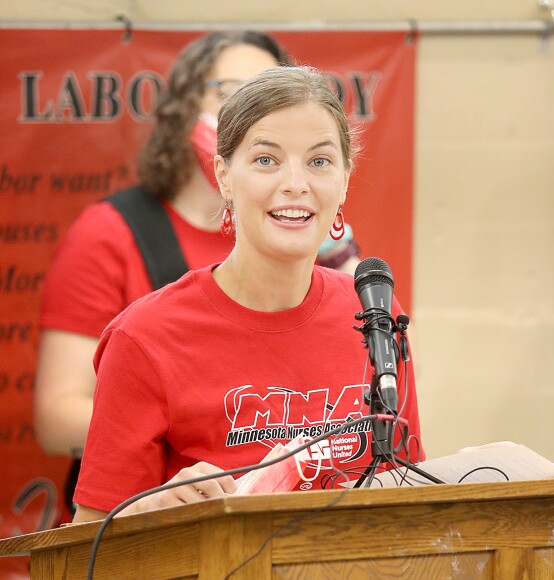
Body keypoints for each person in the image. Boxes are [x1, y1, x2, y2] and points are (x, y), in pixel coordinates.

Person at [71, 65, 421, 521]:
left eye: (319, 161)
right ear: (224, 177)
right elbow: (86, 555)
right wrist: (151, 514)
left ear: (344, 180)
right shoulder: (144, 337)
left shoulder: (374, 312)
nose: (296, 183)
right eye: (266, 160)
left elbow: (410, 493)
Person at [35, 31, 360, 507]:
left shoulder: (332, 262)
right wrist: (169, 441)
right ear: (186, 108)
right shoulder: (116, 241)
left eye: (268, 90)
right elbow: (57, 414)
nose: (294, 182)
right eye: (230, 92)